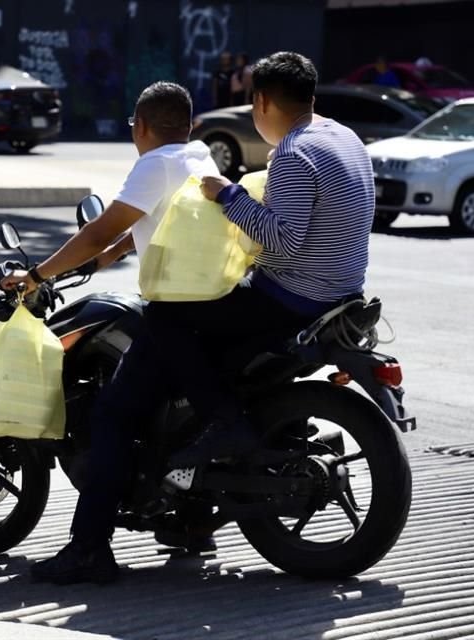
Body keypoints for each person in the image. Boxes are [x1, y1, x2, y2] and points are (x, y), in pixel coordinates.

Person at [0, 81, 221, 584]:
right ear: (188, 123)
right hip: (209, 304)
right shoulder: (198, 155)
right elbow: (165, 220)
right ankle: (189, 521)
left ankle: (89, 550)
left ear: (141, 127)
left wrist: (37, 276)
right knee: (170, 416)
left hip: (175, 310)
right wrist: (117, 252)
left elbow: (99, 227)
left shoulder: (154, 162)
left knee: (112, 415)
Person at [144, 51, 375, 469]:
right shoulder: (344, 137)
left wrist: (227, 194)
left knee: (165, 316)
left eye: (253, 103)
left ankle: (224, 423)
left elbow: (282, 240)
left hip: (294, 296)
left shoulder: (293, 151)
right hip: (345, 292)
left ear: (263, 102)